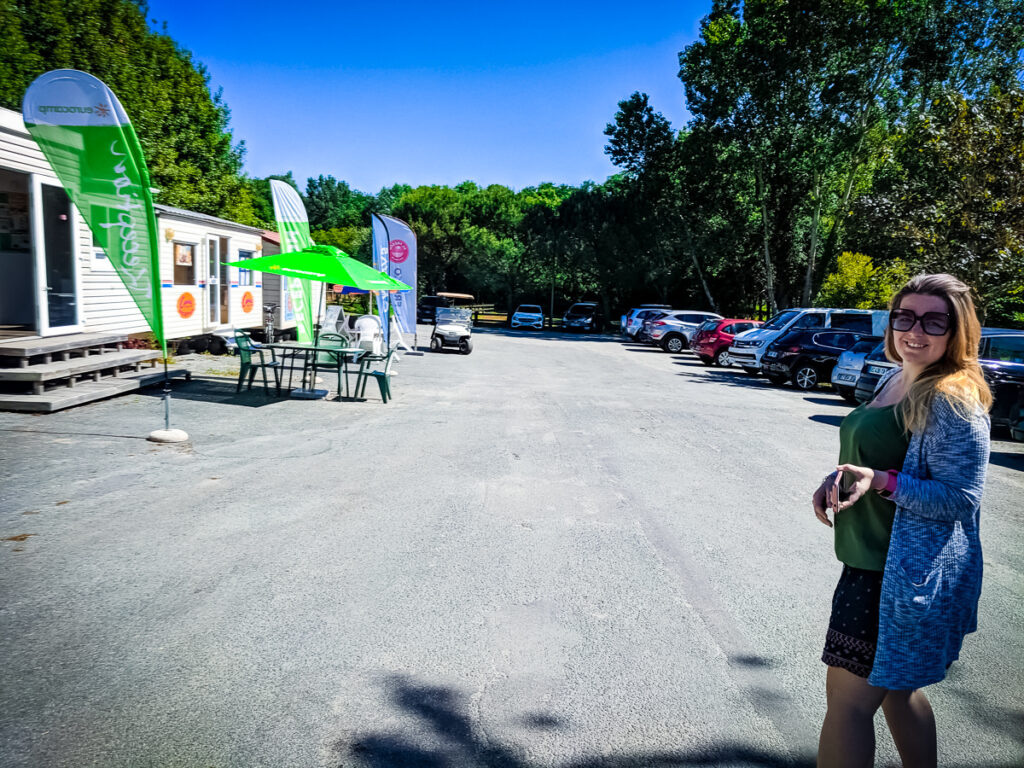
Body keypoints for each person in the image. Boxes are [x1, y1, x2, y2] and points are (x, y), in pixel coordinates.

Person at [811, 273, 992, 767]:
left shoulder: (953, 398)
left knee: (847, 707)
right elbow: (880, 453)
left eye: (935, 321)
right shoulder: (897, 376)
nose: (916, 331)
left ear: (959, 332)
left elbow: (962, 498)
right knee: (895, 691)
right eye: (905, 317)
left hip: (893, 577)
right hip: (871, 562)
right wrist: (842, 477)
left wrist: (885, 482)